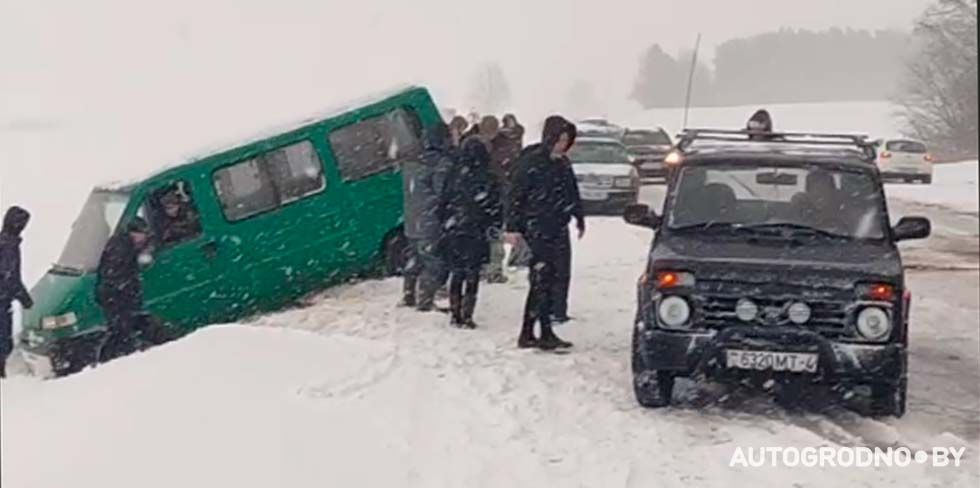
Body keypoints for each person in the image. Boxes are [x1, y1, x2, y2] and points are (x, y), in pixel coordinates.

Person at [507, 116, 584, 350]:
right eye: (560, 140)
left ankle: (529, 332)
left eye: (566, 141)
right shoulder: (531, 163)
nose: (563, 145)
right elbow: (515, 196)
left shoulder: (562, 164)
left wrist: (579, 217)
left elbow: (572, 192)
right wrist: (512, 227)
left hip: (557, 228)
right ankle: (544, 332)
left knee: (548, 280)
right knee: (541, 279)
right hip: (537, 229)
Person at [438, 131, 502, 328]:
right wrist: (494, 225)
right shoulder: (488, 177)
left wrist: (446, 221)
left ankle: (455, 312)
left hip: (455, 229)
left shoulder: (454, 174)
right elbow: (495, 207)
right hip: (476, 230)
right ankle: (467, 314)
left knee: (457, 272)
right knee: (473, 273)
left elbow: (443, 201)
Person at [401, 122, 455, 311]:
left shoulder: (410, 163)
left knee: (414, 259)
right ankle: (425, 302)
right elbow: (443, 193)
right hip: (429, 221)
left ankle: (408, 296)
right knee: (433, 263)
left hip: (411, 220)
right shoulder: (441, 163)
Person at [96, 218, 152, 362]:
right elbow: (116, 275)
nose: (144, 238)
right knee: (121, 329)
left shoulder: (122, 243)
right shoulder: (122, 248)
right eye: (143, 234)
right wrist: (128, 290)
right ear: (134, 234)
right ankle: (120, 359)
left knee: (120, 328)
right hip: (116, 298)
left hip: (113, 297)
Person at [0, 206, 33, 378]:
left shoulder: (3, 241)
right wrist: (25, 299)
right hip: (2, 300)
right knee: (3, 341)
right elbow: (10, 277)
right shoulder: (9, 245)